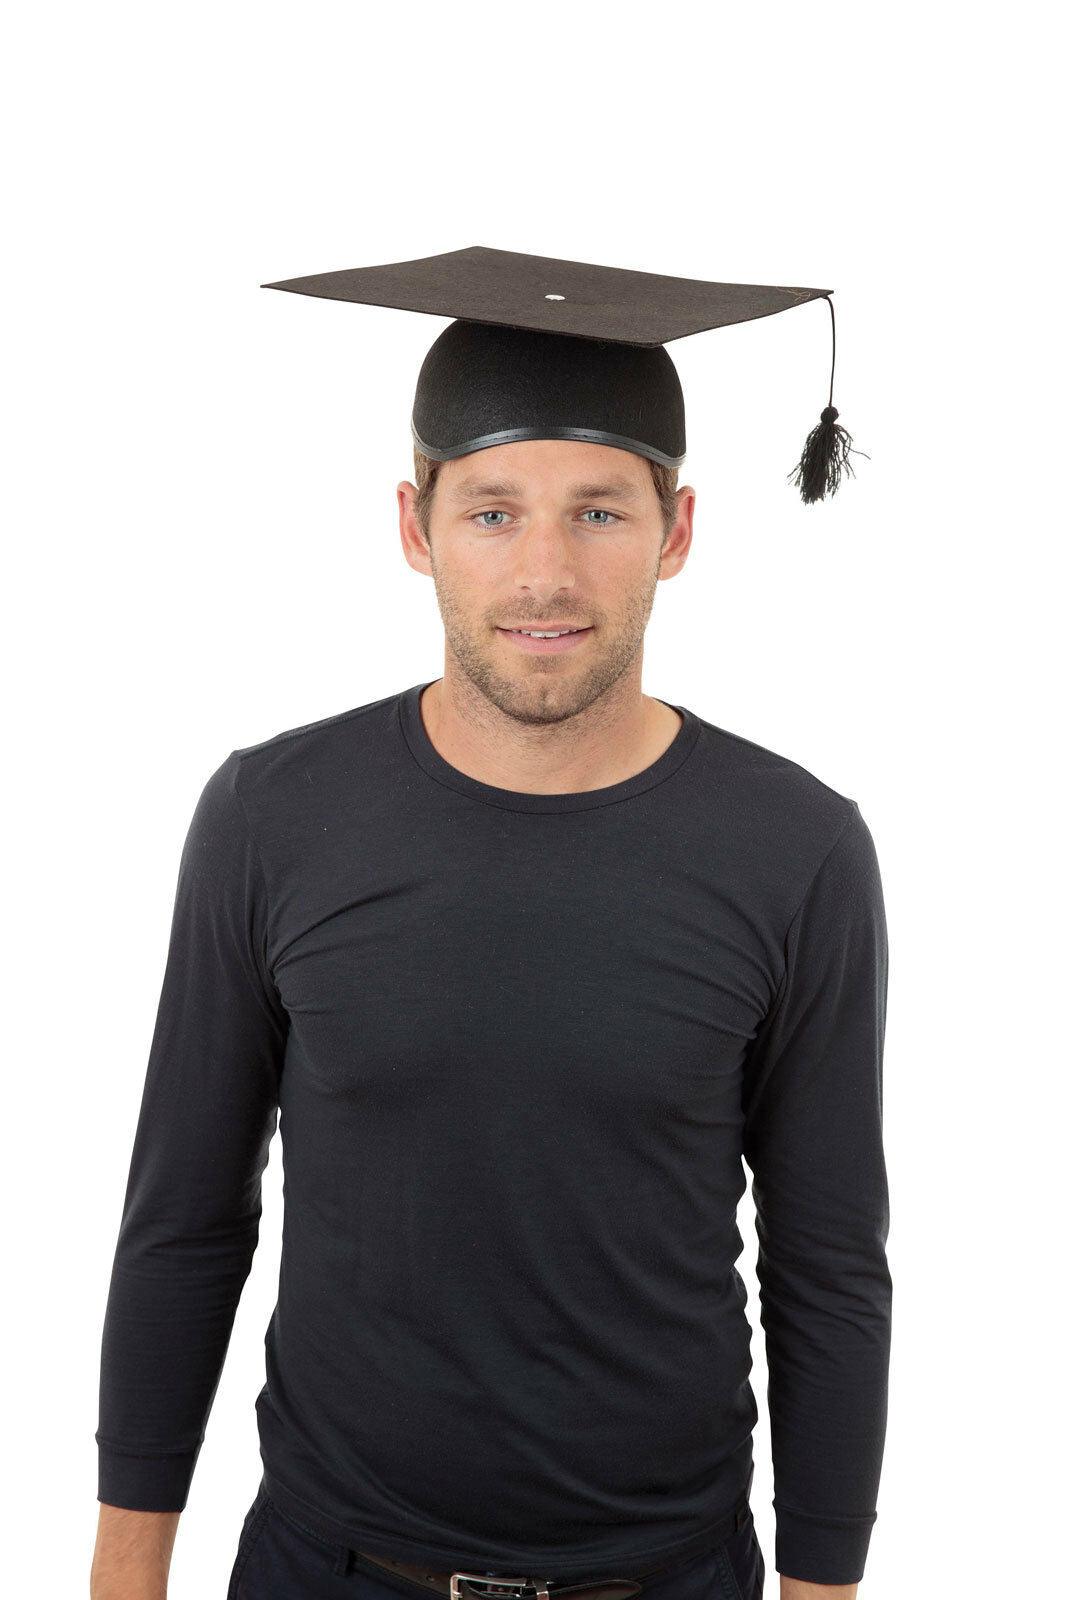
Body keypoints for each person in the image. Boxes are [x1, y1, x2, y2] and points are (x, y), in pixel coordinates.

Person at [92, 250, 891, 1600]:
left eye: (599, 512)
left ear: (677, 532)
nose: (543, 573)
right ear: (417, 527)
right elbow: (183, 1221)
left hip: (666, 1575)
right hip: (328, 1567)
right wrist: (124, 1580)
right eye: (493, 512)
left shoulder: (796, 850)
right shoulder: (272, 817)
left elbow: (828, 1270)